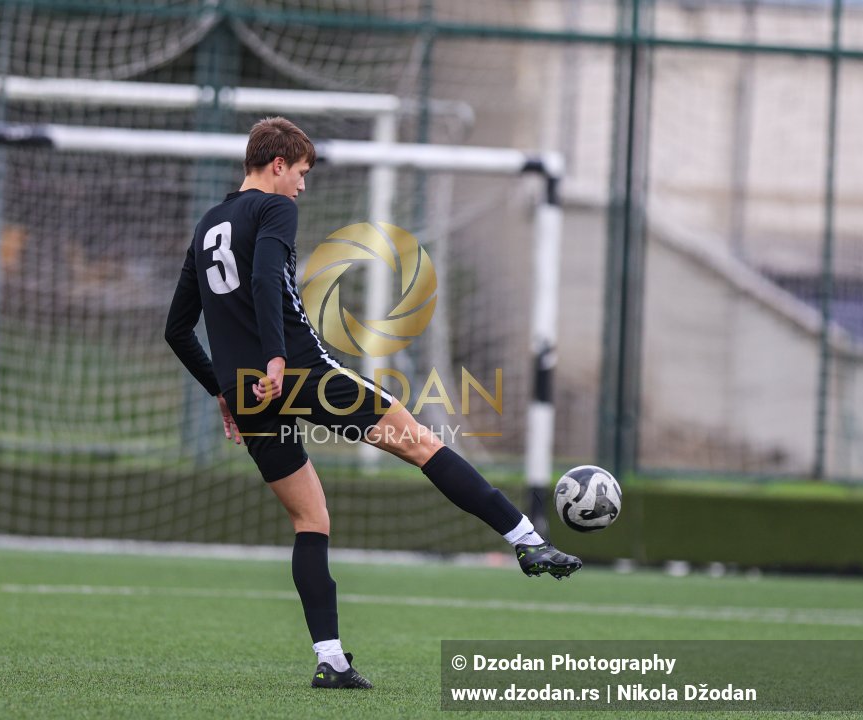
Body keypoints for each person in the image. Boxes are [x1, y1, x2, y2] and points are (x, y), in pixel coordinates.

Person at [165, 117, 581, 690]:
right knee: (424, 444)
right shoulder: (273, 207)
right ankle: (527, 542)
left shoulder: (208, 223)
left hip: (247, 392)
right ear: (278, 164)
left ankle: (331, 660)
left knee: (310, 520)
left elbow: (176, 329)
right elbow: (265, 278)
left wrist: (223, 389)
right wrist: (278, 361)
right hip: (299, 373)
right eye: (303, 173)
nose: (303, 187)